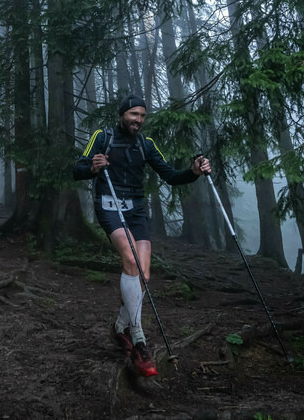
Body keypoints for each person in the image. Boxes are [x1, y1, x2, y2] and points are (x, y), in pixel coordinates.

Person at [73, 95, 211, 376]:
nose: (138, 120)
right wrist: (92, 167)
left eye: (142, 116)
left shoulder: (146, 145)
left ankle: (119, 327)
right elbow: (77, 169)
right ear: (123, 114)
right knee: (132, 262)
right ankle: (139, 340)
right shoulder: (103, 137)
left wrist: (193, 172)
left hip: (136, 212)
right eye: (134, 114)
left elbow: (171, 176)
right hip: (109, 207)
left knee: (144, 276)